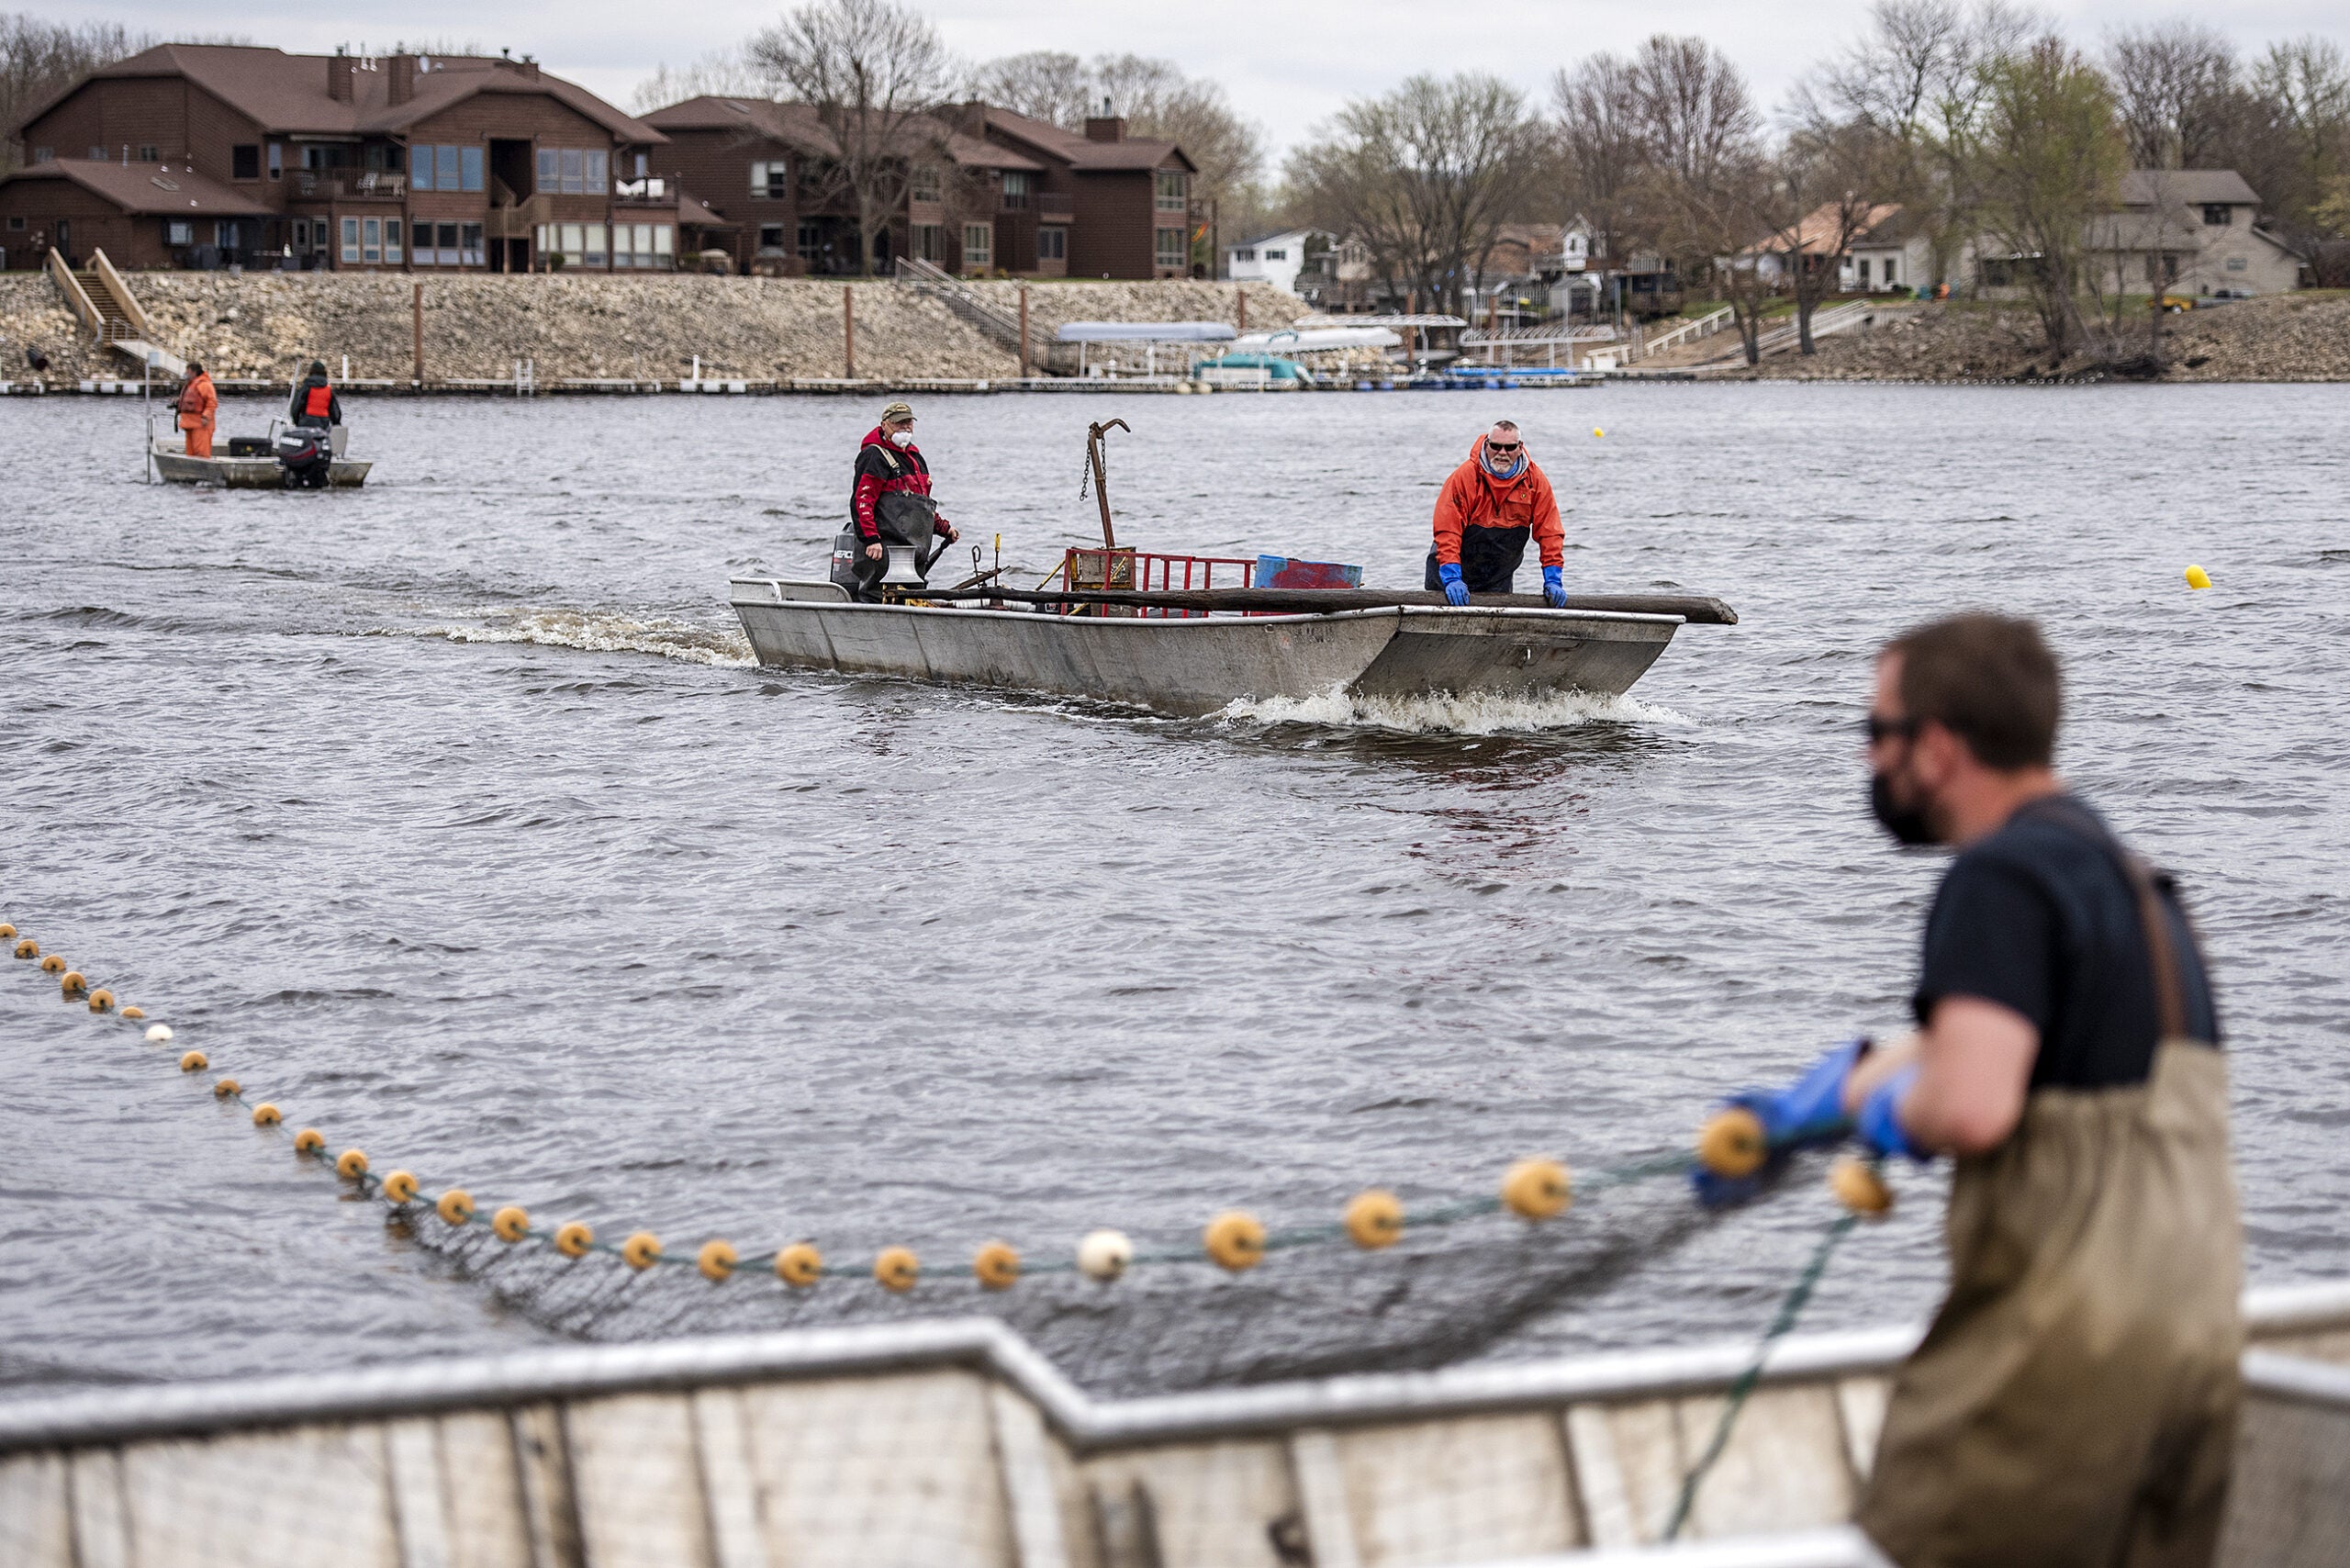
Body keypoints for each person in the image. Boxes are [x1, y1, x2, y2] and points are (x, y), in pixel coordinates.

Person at [1720, 612, 2241, 1567]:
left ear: (1940, 748)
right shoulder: (2127, 882)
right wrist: (1839, 1090)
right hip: (2196, 1359)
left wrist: (1894, 1112)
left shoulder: (1996, 879)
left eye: (1878, 733)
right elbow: (1994, 1046)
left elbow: (1969, 1102)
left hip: (2061, 1358)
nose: (1870, 759)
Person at [1425, 420, 1568, 608]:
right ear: (1486, 444)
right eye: (1495, 446)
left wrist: (1553, 579)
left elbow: (1550, 533)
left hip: (1498, 577)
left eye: (1509, 448)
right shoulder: (1464, 477)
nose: (1502, 453)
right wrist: (1451, 578)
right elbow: (1448, 531)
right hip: (1448, 576)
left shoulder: (1535, 481)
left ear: (1519, 448)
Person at [846, 400, 959, 599]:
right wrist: (871, 539)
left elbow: (921, 505)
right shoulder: (874, 456)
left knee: (914, 596)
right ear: (884, 425)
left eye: (908, 422)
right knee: (877, 596)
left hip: (914, 552)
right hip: (883, 551)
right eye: (899, 423)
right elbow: (862, 501)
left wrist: (944, 528)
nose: (905, 427)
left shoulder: (915, 459)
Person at [175, 361, 218, 459]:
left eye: (188, 371)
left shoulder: (204, 385)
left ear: (194, 372)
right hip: (189, 424)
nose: (186, 373)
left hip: (201, 425)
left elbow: (212, 403)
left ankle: (204, 472)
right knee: (190, 454)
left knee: (201, 453)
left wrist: (206, 416)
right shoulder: (191, 385)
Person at [289, 360, 341, 430]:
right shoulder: (329, 391)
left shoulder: (305, 388)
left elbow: (296, 407)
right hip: (323, 425)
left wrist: (296, 422)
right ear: (324, 373)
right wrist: (336, 423)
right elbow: (336, 413)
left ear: (310, 372)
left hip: (305, 424)